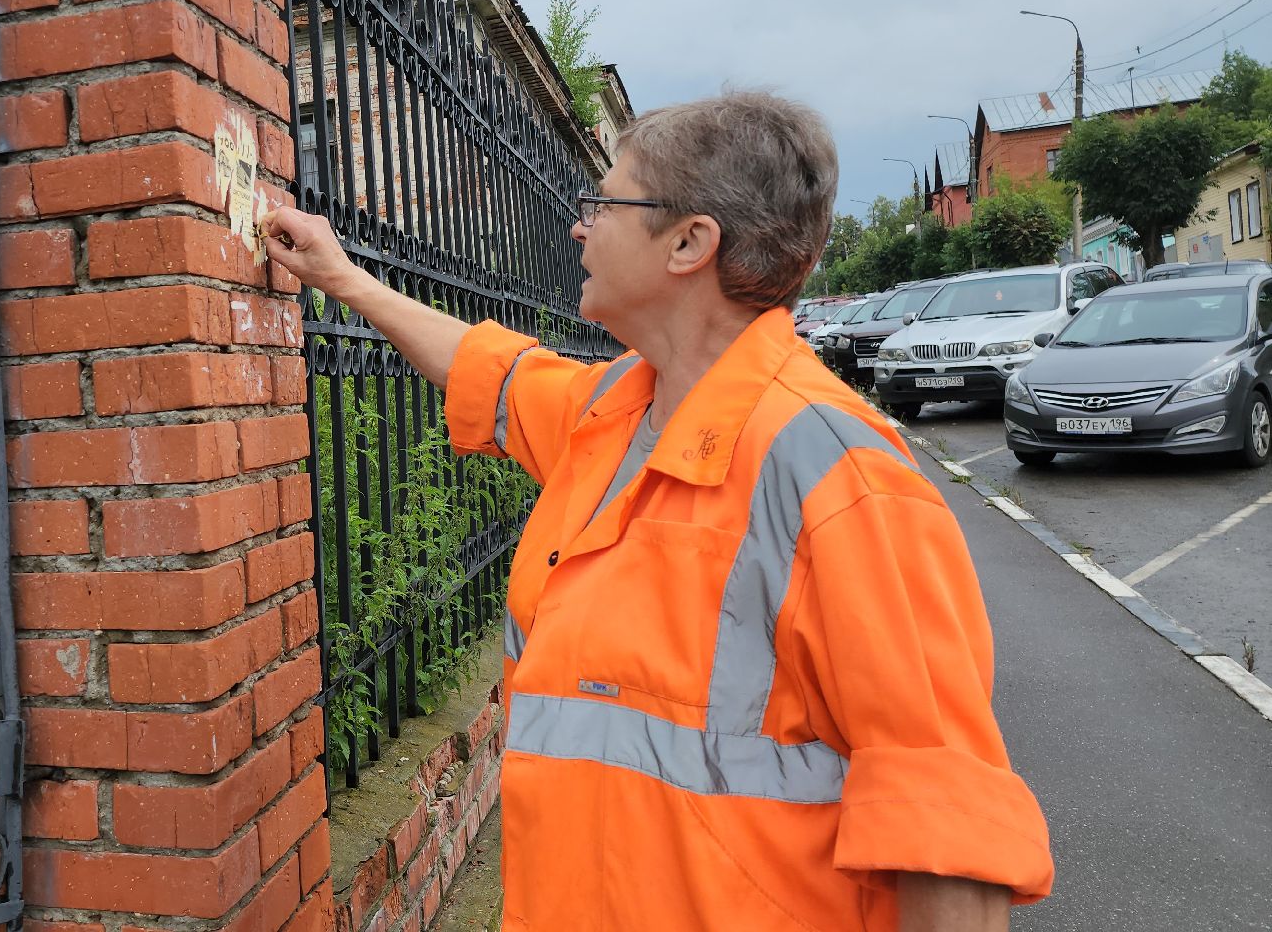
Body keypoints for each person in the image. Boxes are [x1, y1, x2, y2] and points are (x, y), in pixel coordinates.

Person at [260, 91, 1052, 931]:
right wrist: (338, 275)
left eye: (602, 203)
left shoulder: (843, 478)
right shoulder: (615, 411)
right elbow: (489, 373)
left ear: (688, 242)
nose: (577, 226)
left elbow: (944, 834)